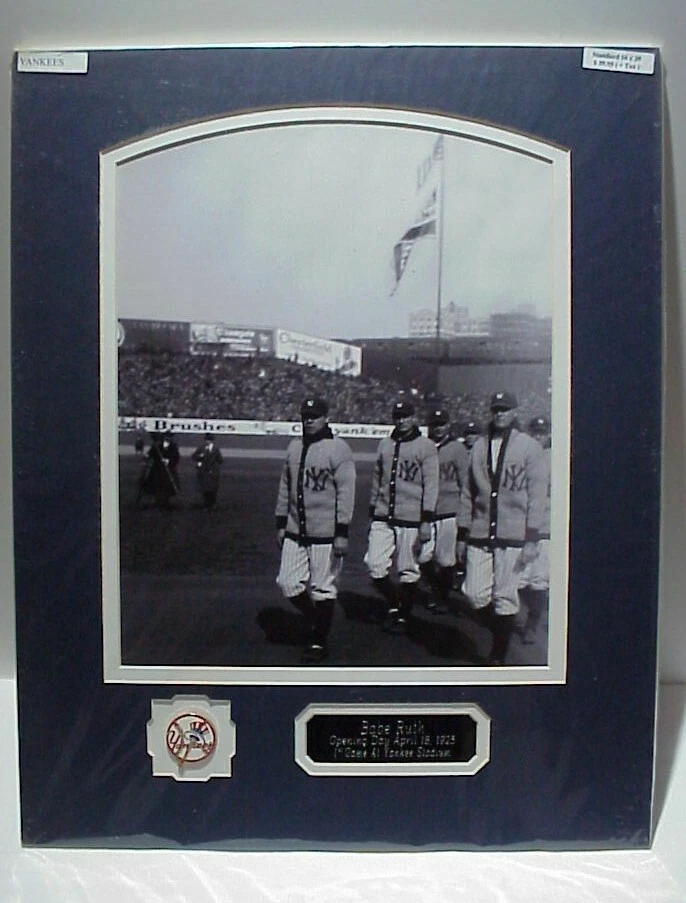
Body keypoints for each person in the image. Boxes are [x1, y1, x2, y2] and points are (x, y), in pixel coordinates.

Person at [457, 391, 547, 665]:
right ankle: (501, 631)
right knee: (473, 594)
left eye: (505, 410)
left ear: (514, 412)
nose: (500, 414)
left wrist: (532, 537)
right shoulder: (479, 446)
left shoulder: (529, 447)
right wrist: (462, 533)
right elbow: (467, 493)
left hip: (514, 533)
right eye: (496, 409)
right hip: (481, 531)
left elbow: (537, 494)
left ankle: (498, 654)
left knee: (505, 596)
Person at [275, 396, 356, 663]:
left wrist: (342, 531)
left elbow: (346, 492)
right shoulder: (294, 447)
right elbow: (285, 487)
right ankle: (315, 618)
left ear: (325, 418)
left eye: (315, 416)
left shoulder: (338, 449)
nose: (309, 420)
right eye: (306, 415)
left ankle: (319, 640)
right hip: (296, 529)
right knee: (287, 582)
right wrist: (280, 522)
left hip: (326, 532)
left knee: (323, 587)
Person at [364, 398, 439, 634]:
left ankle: (403, 615)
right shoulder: (385, 444)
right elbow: (378, 478)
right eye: (398, 417)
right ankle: (396, 602)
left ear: (413, 417)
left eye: (406, 416)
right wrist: (373, 508)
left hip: (413, 517)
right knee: (374, 564)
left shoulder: (425, 446)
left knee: (408, 568)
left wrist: (426, 519)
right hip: (384, 514)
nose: (402, 420)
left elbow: (431, 484)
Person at [418, 407, 470, 613]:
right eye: (434, 424)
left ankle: (443, 596)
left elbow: (465, 482)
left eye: (441, 424)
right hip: (426, 512)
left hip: (449, 510)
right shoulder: (423, 446)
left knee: (445, 559)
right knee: (422, 557)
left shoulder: (457, 449)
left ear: (448, 425)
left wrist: (465, 512)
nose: (438, 428)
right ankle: (436, 587)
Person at [517, 415, 552, 644]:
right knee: (517, 580)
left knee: (539, 579)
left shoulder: (555, 457)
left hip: (546, 525)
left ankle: (532, 624)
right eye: (535, 432)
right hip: (520, 525)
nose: (539, 436)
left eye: (543, 432)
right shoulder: (523, 455)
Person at [141, 430, 180, 509]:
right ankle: (157, 501)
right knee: (157, 485)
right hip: (157, 469)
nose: (167, 438)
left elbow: (176, 457)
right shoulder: (157, 445)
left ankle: (166, 501)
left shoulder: (173, 446)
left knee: (167, 486)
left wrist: (168, 460)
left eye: (169, 437)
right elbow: (151, 454)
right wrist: (147, 455)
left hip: (168, 470)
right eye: (166, 437)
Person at [191, 434, 223, 510]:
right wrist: (200, 457)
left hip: (212, 472)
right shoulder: (201, 448)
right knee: (205, 489)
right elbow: (194, 456)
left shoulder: (216, 449)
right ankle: (206, 504)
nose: (207, 442)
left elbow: (220, 460)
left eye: (209, 440)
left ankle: (212, 504)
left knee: (212, 489)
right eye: (206, 440)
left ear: (212, 441)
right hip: (204, 471)